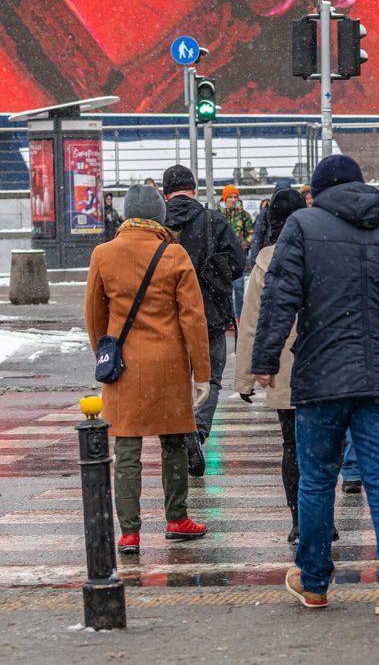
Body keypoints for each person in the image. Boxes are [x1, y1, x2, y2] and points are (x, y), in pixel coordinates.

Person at [253, 154, 379, 615]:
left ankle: (314, 581)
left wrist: (265, 359)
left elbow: (280, 295)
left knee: (317, 479)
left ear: (318, 193)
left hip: (322, 374)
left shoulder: (302, 226)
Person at [84, 184, 211, 555]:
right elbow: (193, 319)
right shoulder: (173, 254)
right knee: (174, 444)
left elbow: (94, 315)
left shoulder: (103, 254)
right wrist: (201, 372)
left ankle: (129, 532)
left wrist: (105, 353)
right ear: (160, 216)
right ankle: (177, 519)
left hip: (124, 366)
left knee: (127, 448)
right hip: (168, 365)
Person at [234, 190, 312, 544]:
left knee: (291, 445)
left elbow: (251, 321)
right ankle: (322, 516)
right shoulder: (321, 250)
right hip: (321, 362)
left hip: (283, 363)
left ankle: (298, 520)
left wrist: (245, 379)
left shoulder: (266, 260)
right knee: (322, 447)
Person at [162, 165, 244, 455]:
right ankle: (197, 430)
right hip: (210, 315)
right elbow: (238, 264)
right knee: (210, 379)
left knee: (174, 380)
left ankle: (176, 436)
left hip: (167, 316)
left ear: (165, 194)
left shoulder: (158, 225)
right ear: (194, 190)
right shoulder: (213, 221)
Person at [220, 185, 254, 321]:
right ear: (225, 198)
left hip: (238, 258)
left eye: (235, 197)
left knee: (239, 288)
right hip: (222, 257)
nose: (233, 200)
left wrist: (241, 246)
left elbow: (251, 234)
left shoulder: (244, 215)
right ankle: (229, 318)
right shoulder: (218, 215)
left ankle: (239, 317)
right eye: (230, 197)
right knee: (225, 289)